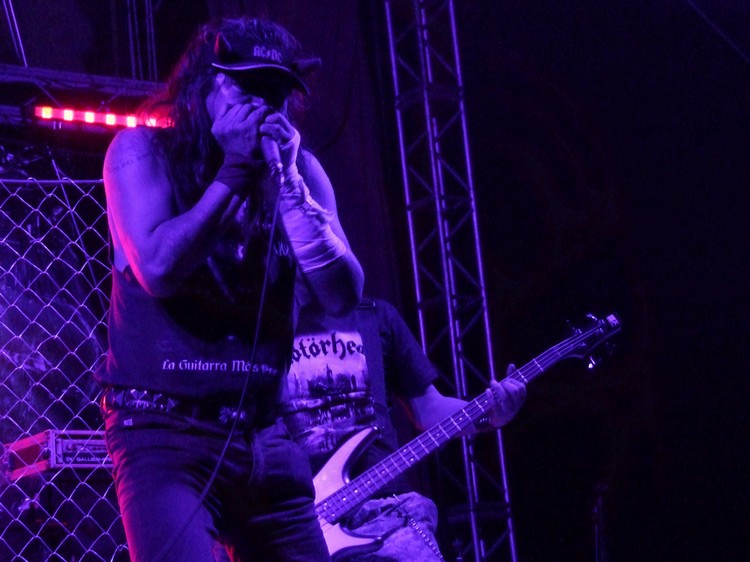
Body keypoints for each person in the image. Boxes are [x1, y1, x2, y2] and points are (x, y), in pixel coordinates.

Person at [94, 16, 363, 562]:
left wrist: (289, 189)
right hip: (163, 431)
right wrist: (234, 174)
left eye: (275, 92)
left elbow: (342, 295)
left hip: (263, 434)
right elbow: (159, 269)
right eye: (246, 86)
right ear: (204, 88)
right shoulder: (142, 154)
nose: (262, 105)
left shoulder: (302, 173)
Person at [281, 298, 526, 561]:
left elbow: (429, 409)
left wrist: (490, 415)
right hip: (295, 523)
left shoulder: (374, 315)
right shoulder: (264, 328)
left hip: (386, 511)